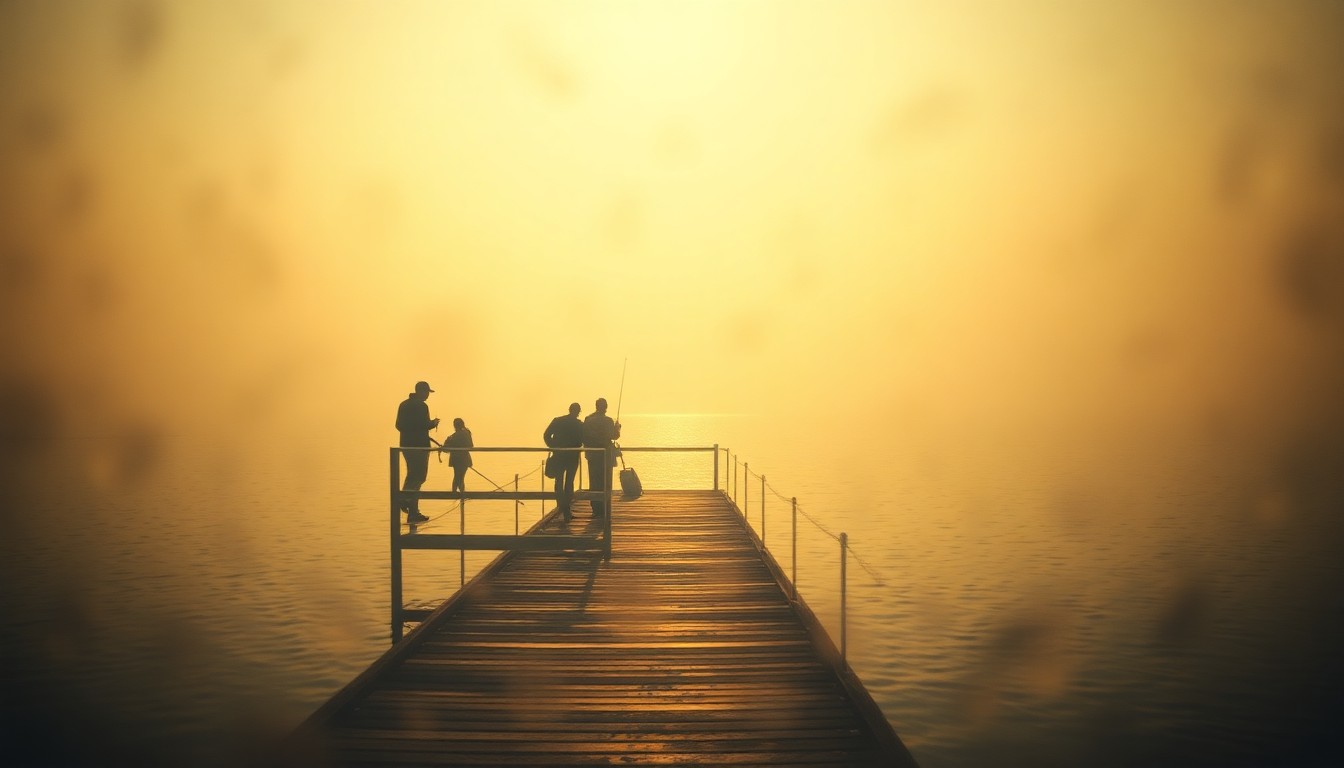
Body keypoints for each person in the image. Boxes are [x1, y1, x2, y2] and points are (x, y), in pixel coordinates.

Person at [395, 381, 438, 524]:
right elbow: (424, 425)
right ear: (421, 391)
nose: (427, 396)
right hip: (420, 446)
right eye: (426, 392)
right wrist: (433, 423)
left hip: (406, 446)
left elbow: (398, 426)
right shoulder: (422, 406)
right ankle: (404, 499)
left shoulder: (403, 404)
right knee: (419, 477)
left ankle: (413, 513)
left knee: (412, 475)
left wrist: (411, 430)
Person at [581, 397, 621, 518]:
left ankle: (595, 507)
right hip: (605, 455)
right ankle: (605, 506)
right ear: (605, 407)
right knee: (606, 481)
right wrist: (617, 428)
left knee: (594, 481)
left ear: (596, 406)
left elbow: (584, 435)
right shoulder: (608, 421)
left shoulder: (588, 419)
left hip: (592, 454)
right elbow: (614, 436)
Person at [543, 403, 584, 521]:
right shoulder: (579, 425)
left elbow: (546, 435)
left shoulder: (557, 421)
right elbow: (583, 439)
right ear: (578, 412)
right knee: (569, 483)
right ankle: (566, 510)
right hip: (573, 456)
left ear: (569, 409)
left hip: (559, 455)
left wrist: (553, 446)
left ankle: (561, 507)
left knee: (559, 481)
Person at [444, 417, 473, 495]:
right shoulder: (466, 433)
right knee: (460, 477)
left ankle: (455, 493)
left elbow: (446, 448)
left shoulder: (454, 436)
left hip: (457, 459)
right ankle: (461, 494)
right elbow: (471, 446)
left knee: (457, 476)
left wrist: (447, 442)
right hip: (464, 459)